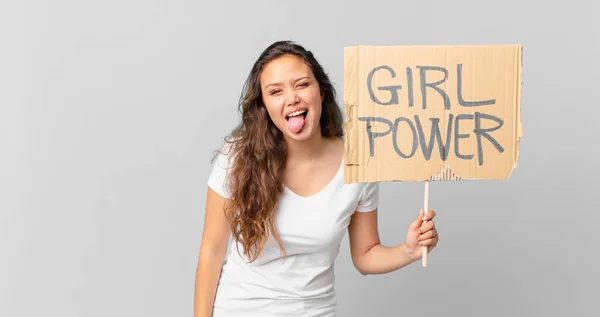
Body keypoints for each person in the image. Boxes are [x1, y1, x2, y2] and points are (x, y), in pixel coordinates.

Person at [194, 40, 439, 317]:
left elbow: (366, 254)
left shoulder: (357, 163)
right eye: (276, 91)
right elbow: (212, 251)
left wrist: (408, 250)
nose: (292, 98)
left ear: (321, 92)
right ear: (264, 104)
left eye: (301, 84)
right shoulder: (237, 158)